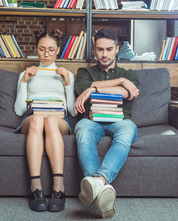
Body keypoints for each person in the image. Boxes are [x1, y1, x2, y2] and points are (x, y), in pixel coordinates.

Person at [74, 28, 140, 219]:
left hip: (120, 121)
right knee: (83, 135)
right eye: (100, 49)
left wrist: (93, 89)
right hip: (91, 120)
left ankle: (97, 182)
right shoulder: (84, 72)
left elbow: (129, 93)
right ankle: (102, 188)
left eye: (109, 49)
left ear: (117, 49)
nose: (104, 54)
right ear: (94, 49)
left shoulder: (129, 74)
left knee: (128, 132)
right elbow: (81, 88)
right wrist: (119, 82)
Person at [13, 29, 76, 212]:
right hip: (33, 119)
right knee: (39, 119)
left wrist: (67, 83)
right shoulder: (26, 74)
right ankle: (36, 188)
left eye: (51, 49)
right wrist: (24, 81)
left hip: (58, 120)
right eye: (42, 49)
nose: (46, 54)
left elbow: (71, 110)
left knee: (49, 121)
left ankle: (58, 187)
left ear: (57, 50)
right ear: (36, 49)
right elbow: (18, 110)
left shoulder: (66, 74)